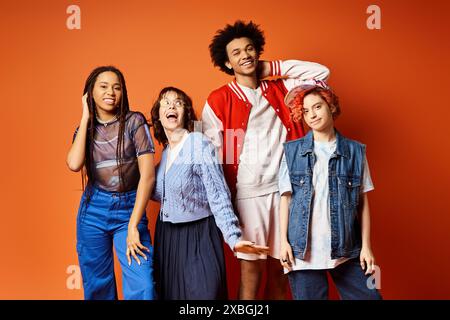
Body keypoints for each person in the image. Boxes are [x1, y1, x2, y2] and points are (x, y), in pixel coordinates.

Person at [202, 20, 330, 299]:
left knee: (282, 271)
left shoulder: (282, 90)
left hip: (288, 192)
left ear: (258, 53)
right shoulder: (218, 100)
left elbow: (323, 73)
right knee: (251, 273)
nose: (245, 55)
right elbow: (210, 157)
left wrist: (271, 68)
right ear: (226, 62)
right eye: (236, 53)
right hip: (249, 195)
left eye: (249, 49)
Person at [150, 87, 269, 300]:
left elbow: (218, 194)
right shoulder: (165, 154)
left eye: (178, 102)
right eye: (165, 103)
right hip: (167, 239)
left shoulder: (198, 143)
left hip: (199, 235)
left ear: (186, 112)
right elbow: (161, 193)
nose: (171, 106)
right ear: (158, 116)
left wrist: (233, 238)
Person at [278, 78, 382, 300]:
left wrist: (367, 247)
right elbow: (285, 200)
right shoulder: (291, 152)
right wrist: (283, 242)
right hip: (302, 252)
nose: (312, 115)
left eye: (317, 107)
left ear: (331, 106)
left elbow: (362, 204)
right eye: (306, 111)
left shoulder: (355, 152)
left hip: (347, 248)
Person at [66, 66, 156, 300]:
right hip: (93, 210)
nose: (111, 92)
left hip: (128, 209)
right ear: (90, 93)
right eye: (103, 86)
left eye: (117, 87)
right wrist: (86, 116)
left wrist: (133, 225)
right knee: (97, 286)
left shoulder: (135, 122)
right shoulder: (84, 130)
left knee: (143, 285)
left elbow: (148, 177)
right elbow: (74, 164)